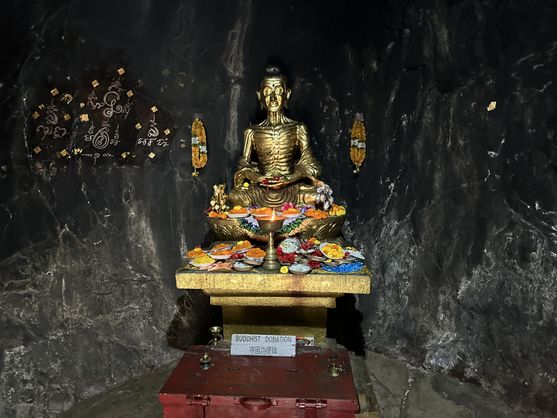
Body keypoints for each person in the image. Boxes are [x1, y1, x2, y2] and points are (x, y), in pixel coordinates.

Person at [228, 65, 323, 208]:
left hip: (290, 189)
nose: (273, 98)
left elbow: (311, 166)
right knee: (234, 196)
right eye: (267, 92)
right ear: (260, 96)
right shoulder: (252, 132)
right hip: (261, 191)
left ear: (287, 95)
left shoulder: (298, 128)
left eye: (278, 91)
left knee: (317, 196)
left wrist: (289, 179)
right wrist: (258, 177)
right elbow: (243, 166)